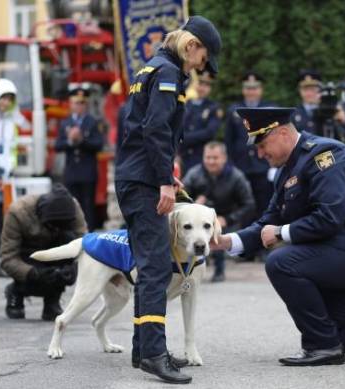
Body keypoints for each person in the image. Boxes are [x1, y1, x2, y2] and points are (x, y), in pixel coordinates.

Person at [211, 107, 345, 367]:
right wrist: (226, 241)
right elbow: (267, 221)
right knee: (328, 330)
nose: (259, 153)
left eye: (262, 144)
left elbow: (330, 217)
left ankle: (324, 348)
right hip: (344, 253)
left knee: (281, 262)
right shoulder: (286, 171)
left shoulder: (325, 155)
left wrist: (282, 233)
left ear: (282, 132)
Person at [114, 15, 221, 384]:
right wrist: (162, 180)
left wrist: (166, 176)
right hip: (142, 181)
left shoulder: (152, 68)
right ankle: (154, 355)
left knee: (150, 265)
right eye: (203, 58)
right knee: (157, 268)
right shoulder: (169, 73)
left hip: (136, 175)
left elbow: (140, 130)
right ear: (191, 46)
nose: (201, 66)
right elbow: (156, 129)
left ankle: (143, 349)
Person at [0, 184, 86, 320]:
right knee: (36, 273)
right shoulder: (18, 212)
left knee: (71, 242)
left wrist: (73, 268)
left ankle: (52, 299)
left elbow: (85, 246)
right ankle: (17, 291)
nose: (56, 229)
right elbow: (8, 258)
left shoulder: (73, 209)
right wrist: (33, 273)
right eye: (52, 225)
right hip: (29, 256)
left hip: (55, 252)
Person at [182, 141, 255, 282]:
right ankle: (187, 270)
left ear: (224, 158)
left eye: (215, 158)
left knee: (218, 231)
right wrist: (193, 205)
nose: (210, 161)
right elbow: (180, 199)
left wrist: (227, 219)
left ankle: (219, 270)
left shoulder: (237, 177)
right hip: (198, 218)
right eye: (207, 157)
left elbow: (249, 204)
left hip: (226, 217)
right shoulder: (193, 174)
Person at [0, 78, 29, 277]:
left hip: (6, 178)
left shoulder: (13, 120)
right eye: (3, 98)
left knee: (3, 223)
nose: (6, 102)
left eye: (10, 99)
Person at [225, 71, 274, 219]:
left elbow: (275, 139)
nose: (251, 91)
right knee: (242, 206)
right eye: (248, 88)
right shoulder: (234, 110)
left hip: (264, 165)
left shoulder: (270, 109)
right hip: (241, 165)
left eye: (254, 88)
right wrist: (230, 164)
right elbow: (229, 140)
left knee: (265, 205)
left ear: (261, 89)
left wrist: (274, 165)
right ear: (243, 89)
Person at [55, 84, 104, 231]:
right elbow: (58, 145)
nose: (79, 106)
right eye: (77, 102)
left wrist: (81, 140)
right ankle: (73, 236)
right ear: (71, 104)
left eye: (82, 103)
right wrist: (70, 141)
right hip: (71, 173)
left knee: (88, 208)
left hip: (87, 173)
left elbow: (98, 144)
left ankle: (89, 237)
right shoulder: (65, 123)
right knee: (72, 207)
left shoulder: (92, 122)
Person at [179, 70, 223, 175]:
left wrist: (184, 138)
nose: (202, 88)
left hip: (203, 157)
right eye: (200, 83)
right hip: (183, 157)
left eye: (206, 85)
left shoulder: (213, 108)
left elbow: (209, 132)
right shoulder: (184, 104)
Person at [292, 69, 321, 134]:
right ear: (300, 91)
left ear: (320, 90)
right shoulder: (293, 114)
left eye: (312, 89)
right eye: (305, 90)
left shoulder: (328, 111)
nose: (309, 93)